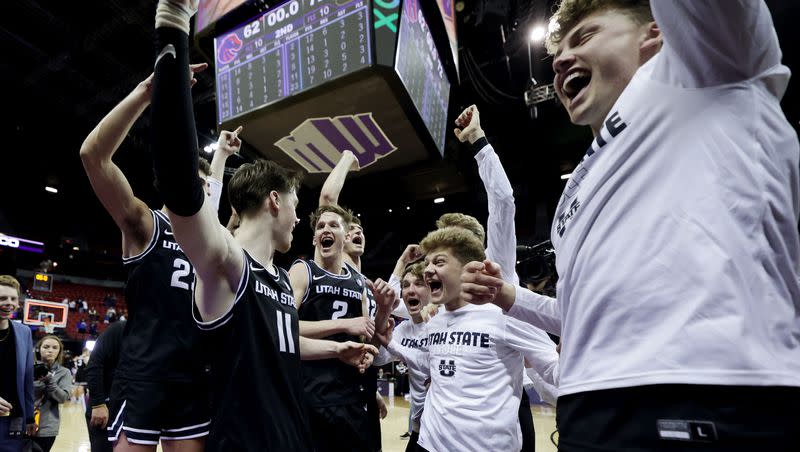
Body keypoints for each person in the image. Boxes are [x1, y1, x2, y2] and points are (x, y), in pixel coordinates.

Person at [460, 1, 800, 450]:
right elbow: (575, 317)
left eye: (584, 37)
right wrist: (509, 297)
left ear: (655, 34)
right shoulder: (577, 192)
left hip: (706, 389)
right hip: (588, 408)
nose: (560, 61)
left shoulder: (705, 67)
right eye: (557, 52)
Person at [147, 3, 377, 449]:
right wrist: (174, 25)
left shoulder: (275, 276)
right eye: (294, 203)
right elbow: (178, 183)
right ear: (274, 201)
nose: (298, 216)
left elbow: (284, 340)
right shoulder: (228, 264)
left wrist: (337, 349)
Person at [79, 46, 216, 450]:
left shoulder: (213, 242)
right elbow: (93, 156)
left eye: (206, 189)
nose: (200, 193)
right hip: (144, 376)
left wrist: (222, 155)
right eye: (194, 183)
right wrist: (145, 92)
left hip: (194, 377)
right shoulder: (145, 224)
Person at [376, 227, 559, 452]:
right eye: (428, 263)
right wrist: (391, 344)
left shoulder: (503, 314)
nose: (428, 270)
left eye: (439, 262)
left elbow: (555, 372)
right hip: (429, 444)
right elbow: (431, 364)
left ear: (467, 268)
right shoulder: (433, 320)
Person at [288, 204, 394, 452]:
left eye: (333, 225)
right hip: (310, 396)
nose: (326, 229)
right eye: (320, 226)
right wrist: (342, 323)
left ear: (345, 236)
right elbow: (283, 328)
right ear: (315, 237)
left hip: (351, 398)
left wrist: (385, 309)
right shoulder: (303, 271)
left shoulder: (358, 281)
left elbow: (368, 344)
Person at [373, 262, 431, 452]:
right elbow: (379, 359)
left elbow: (430, 367)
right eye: (405, 285)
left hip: (445, 428)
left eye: (419, 284)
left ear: (432, 288)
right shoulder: (404, 329)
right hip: (419, 427)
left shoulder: (441, 322)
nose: (410, 290)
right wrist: (381, 323)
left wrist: (392, 345)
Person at [0, 275, 36, 452]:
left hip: (13, 420)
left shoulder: (24, 332)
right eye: (2, 298)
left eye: (13, 298)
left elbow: (27, 379)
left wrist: (29, 417)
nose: (9, 303)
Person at [86, 320, 125, 452]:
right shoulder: (119, 328)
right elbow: (94, 365)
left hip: (134, 409)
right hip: (106, 407)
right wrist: (98, 404)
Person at [32, 335, 72, 452]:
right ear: (39, 349)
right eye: (46, 347)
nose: (50, 350)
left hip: (47, 426)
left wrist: (50, 380)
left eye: (55, 347)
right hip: (24, 422)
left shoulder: (64, 372)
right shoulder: (27, 368)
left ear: (59, 351)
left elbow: (63, 398)